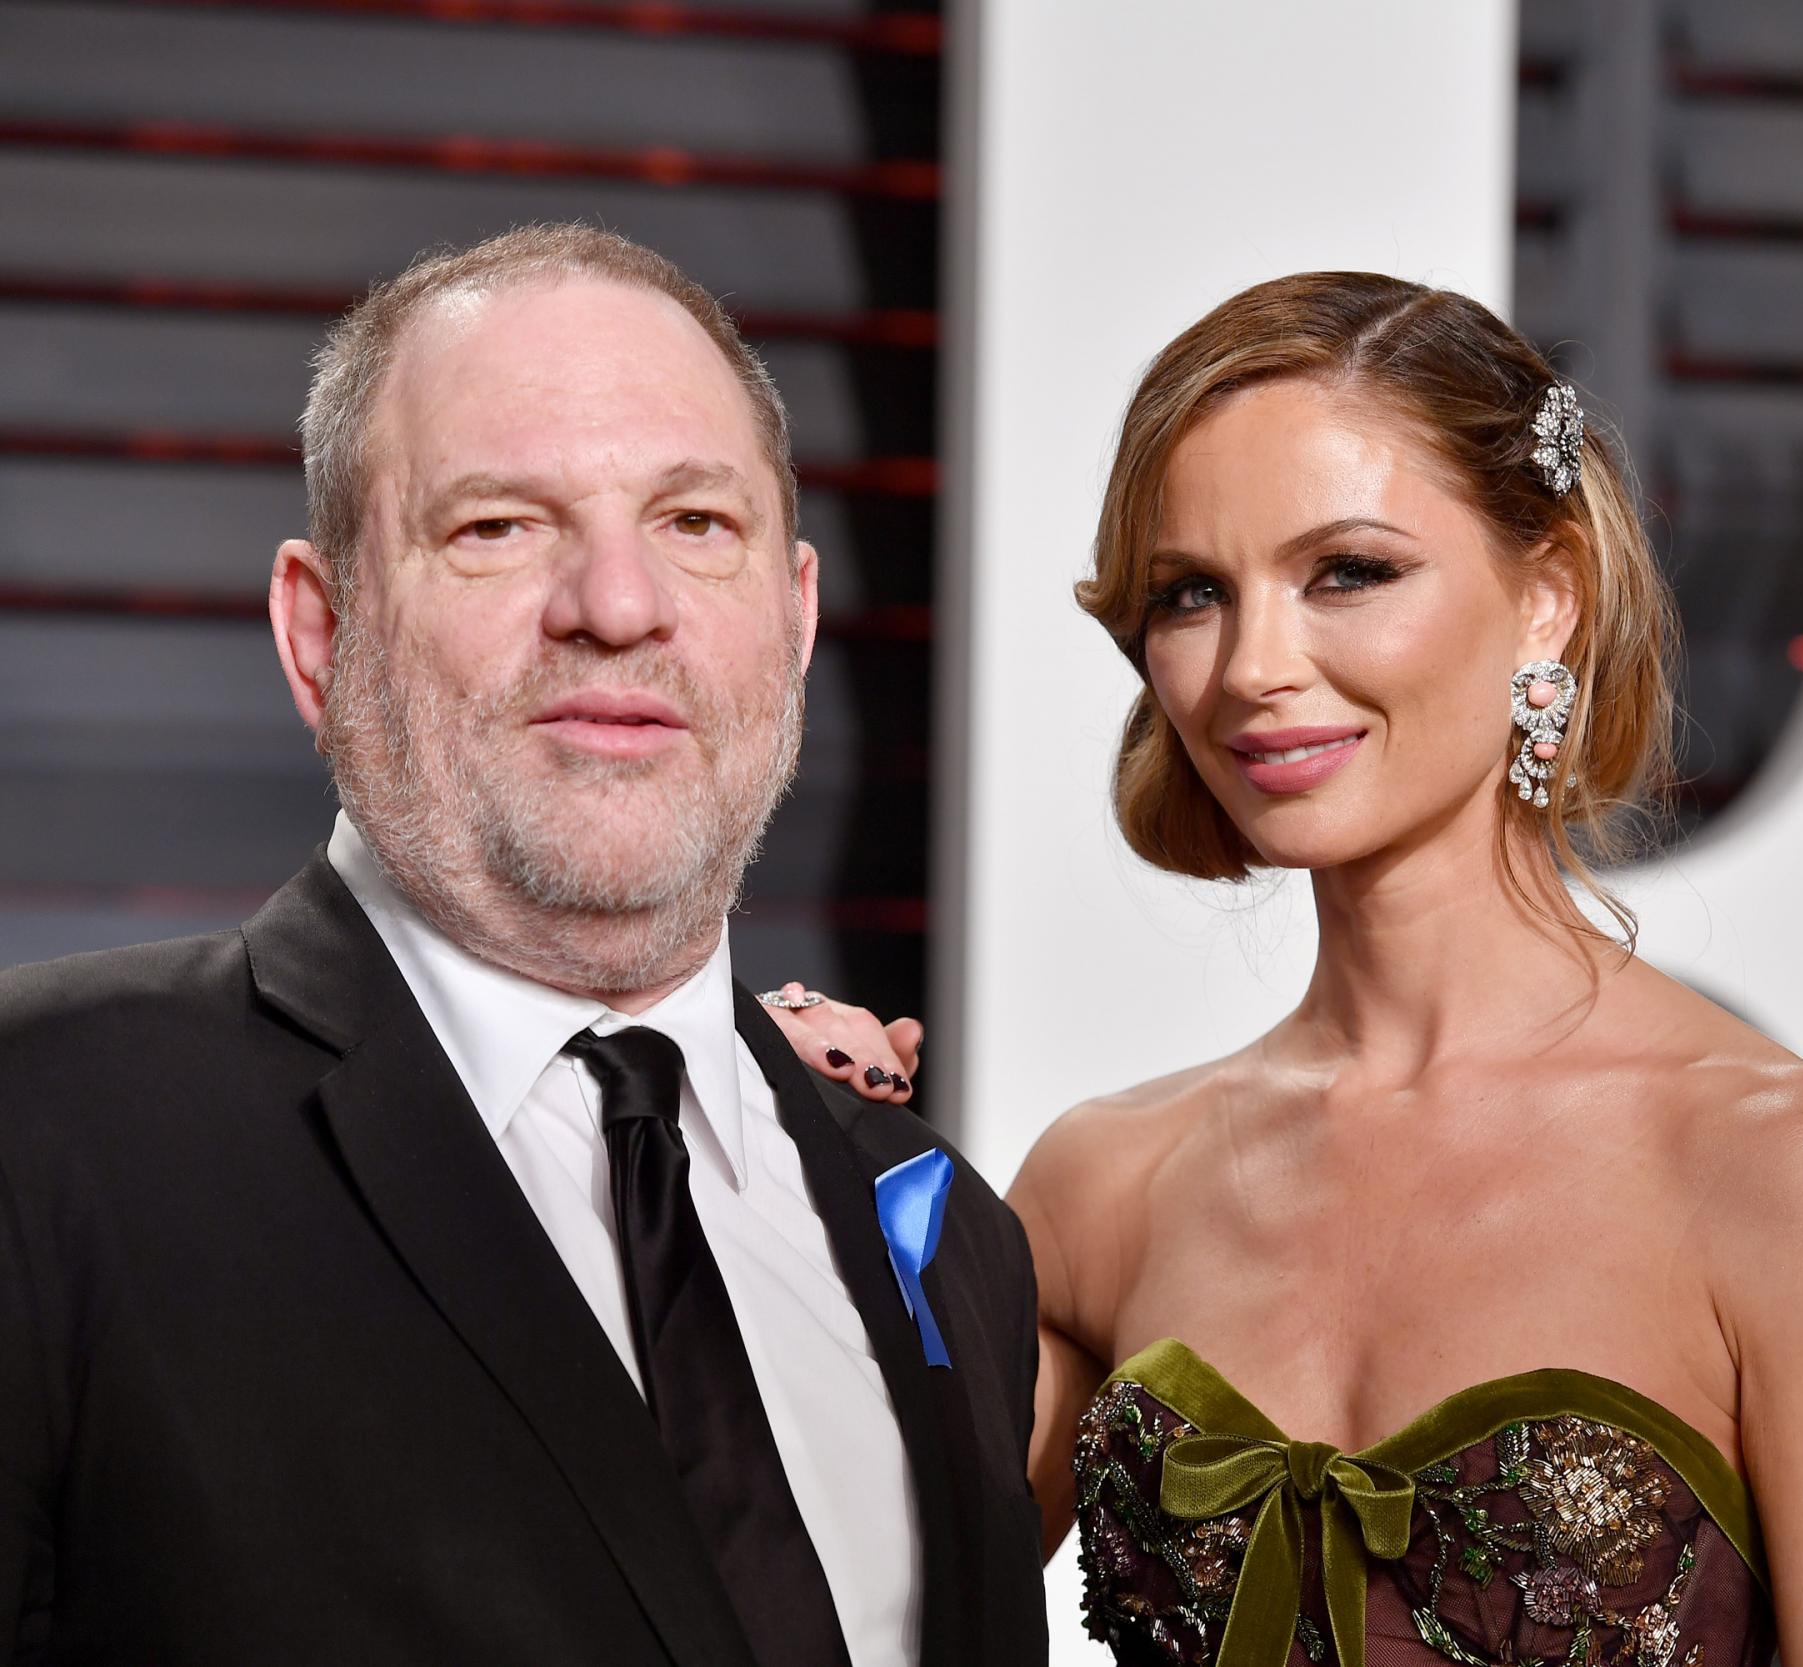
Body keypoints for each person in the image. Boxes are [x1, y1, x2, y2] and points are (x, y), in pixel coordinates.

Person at [765, 272, 1803, 1665]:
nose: (1255, 666)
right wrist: (791, 1179)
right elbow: (844, 1615)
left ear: (1548, 599)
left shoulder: (1776, 1167)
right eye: (1194, 594)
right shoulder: (1107, 1183)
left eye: (1350, 573)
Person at [0, 226, 1047, 1667]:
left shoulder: (949, 1239)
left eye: (696, 524)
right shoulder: (43, 1134)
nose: (617, 607)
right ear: (321, 635)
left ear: (795, 623)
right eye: (497, 525)